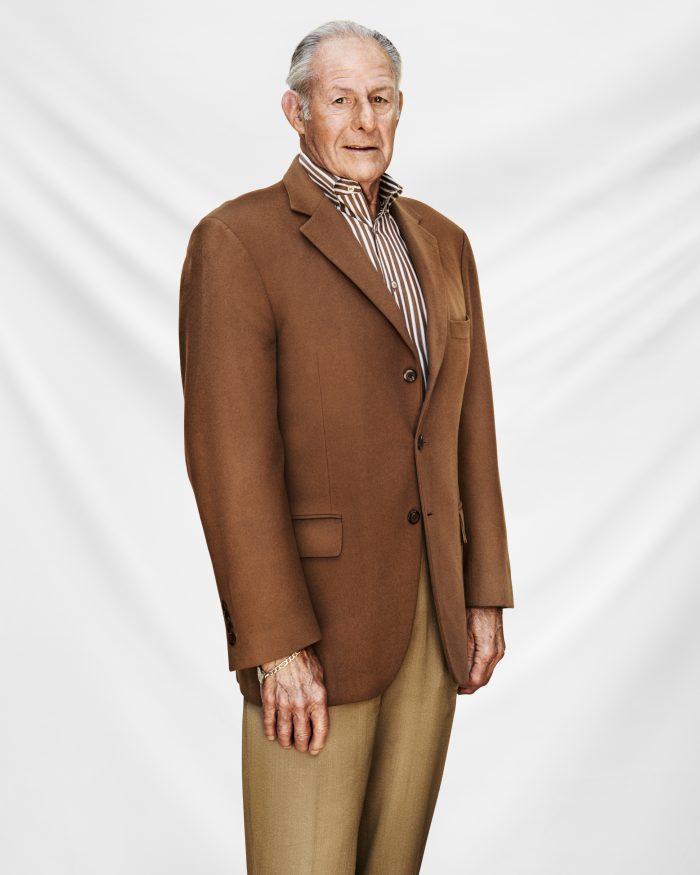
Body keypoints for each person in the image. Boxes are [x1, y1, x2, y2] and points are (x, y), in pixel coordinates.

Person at [179, 19, 515, 875]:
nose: (365, 120)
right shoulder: (237, 241)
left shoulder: (445, 243)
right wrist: (274, 643)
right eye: (340, 100)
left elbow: (469, 422)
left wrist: (484, 590)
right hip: (314, 627)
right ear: (297, 111)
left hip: (433, 618)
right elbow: (230, 460)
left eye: (381, 99)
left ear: (400, 108)